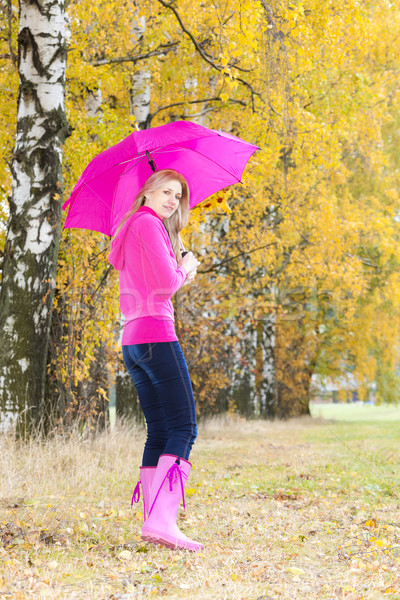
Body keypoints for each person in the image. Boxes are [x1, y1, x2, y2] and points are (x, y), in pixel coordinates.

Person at [108, 169, 203, 551]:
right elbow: (165, 284)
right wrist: (186, 268)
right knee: (185, 427)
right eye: (165, 191)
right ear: (146, 191)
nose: (172, 200)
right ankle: (162, 521)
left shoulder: (132, 227)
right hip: (155, 335)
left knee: (160, 430)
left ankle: (153, 521)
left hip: (133, 339)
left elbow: (150, 281)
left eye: (177, 195)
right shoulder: (148, 225)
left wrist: (175, 263)